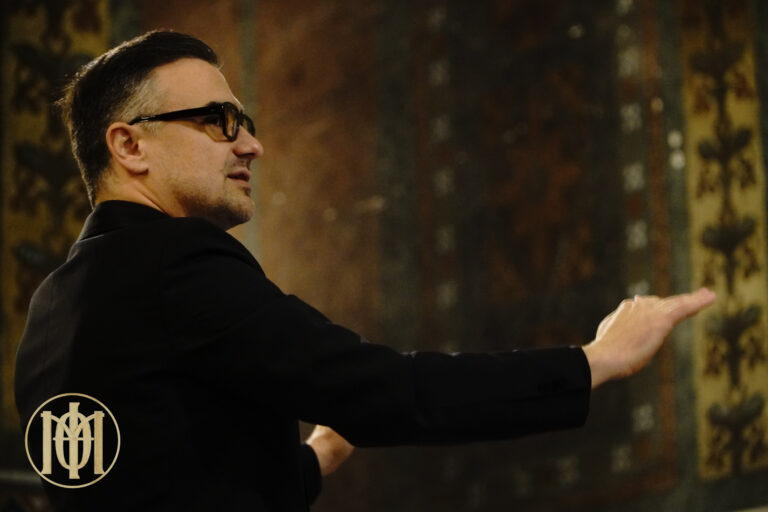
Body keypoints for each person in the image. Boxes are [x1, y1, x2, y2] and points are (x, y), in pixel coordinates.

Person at [14, 30, 715, 512]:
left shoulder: (48, 313)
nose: (251, 145)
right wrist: (593, 361)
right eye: (220, 120)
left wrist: (318, 454)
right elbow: (389, 392)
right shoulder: (178, 262)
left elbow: (174, 483)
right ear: (130, 145)